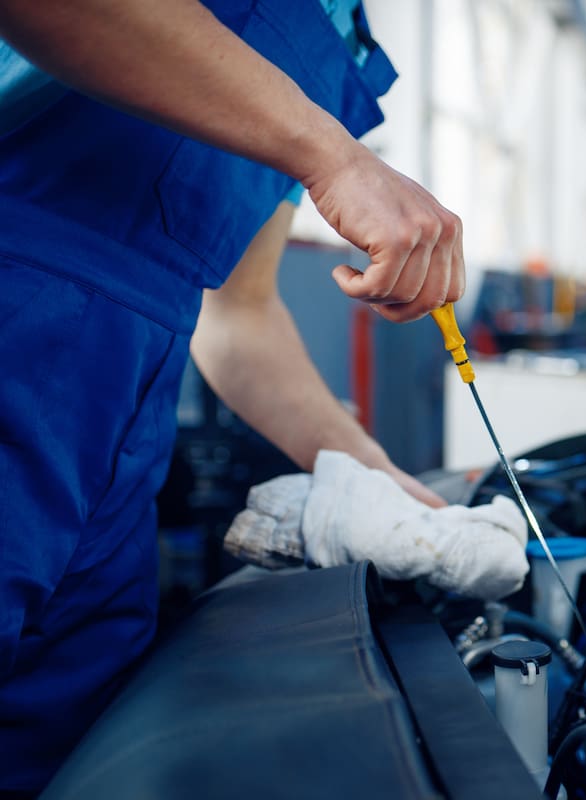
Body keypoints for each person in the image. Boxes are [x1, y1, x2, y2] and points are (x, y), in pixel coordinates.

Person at [0, 0, 462, 793]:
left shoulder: (338, 35)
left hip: (125, 430)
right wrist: (335, 156)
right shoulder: (318, 121)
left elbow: (239, 315)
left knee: (59, 749)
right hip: (18, 305)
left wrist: (380, 485)